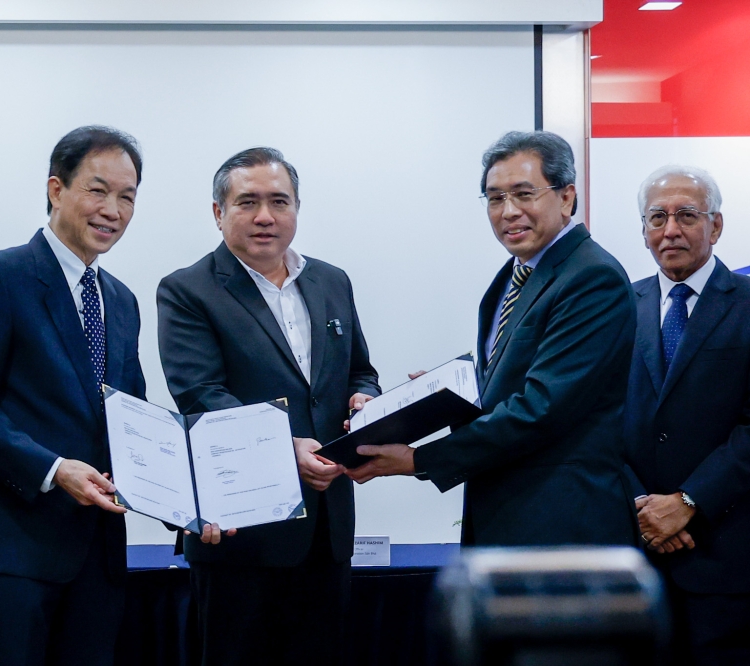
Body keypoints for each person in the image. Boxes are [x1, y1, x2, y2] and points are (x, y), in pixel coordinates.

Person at [349, 130, 636, 547]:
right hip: (510, 515)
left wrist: (419, 460)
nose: (508, 211)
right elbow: (506, 388)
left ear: (567, 197)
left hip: (562, 526)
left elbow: (541, 408)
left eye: (524, 194)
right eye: (495, 198)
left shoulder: (592, 277)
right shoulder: (516, 273)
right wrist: (438, 397)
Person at [157, 147, 380, 666]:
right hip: (241, 537)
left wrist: (364, 396)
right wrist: (284, 448)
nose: (265, 216)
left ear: (297, 209)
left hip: (326, 531)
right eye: (247, 202)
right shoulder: (188, 290)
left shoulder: (331, 280)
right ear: (218, 212)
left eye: (279, 201)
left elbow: (358, 369)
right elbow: (201, 395)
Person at [0, 126, 145, 666]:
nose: (113, 210)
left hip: (99, 556)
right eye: (98, 190)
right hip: (17, 554)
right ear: (56, 189)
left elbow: (133, 419)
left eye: (127, 197)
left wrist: (185, 498)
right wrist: (52, 469)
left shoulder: (121, 300)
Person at [623, 166, 750, 665]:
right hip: (632, 556)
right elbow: (592, 419)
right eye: (657, 217)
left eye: (686, 215)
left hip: (726, 560)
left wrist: (689, 500)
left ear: (716, 227)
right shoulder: (615, 307)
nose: (669, 229)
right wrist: (640, 503)